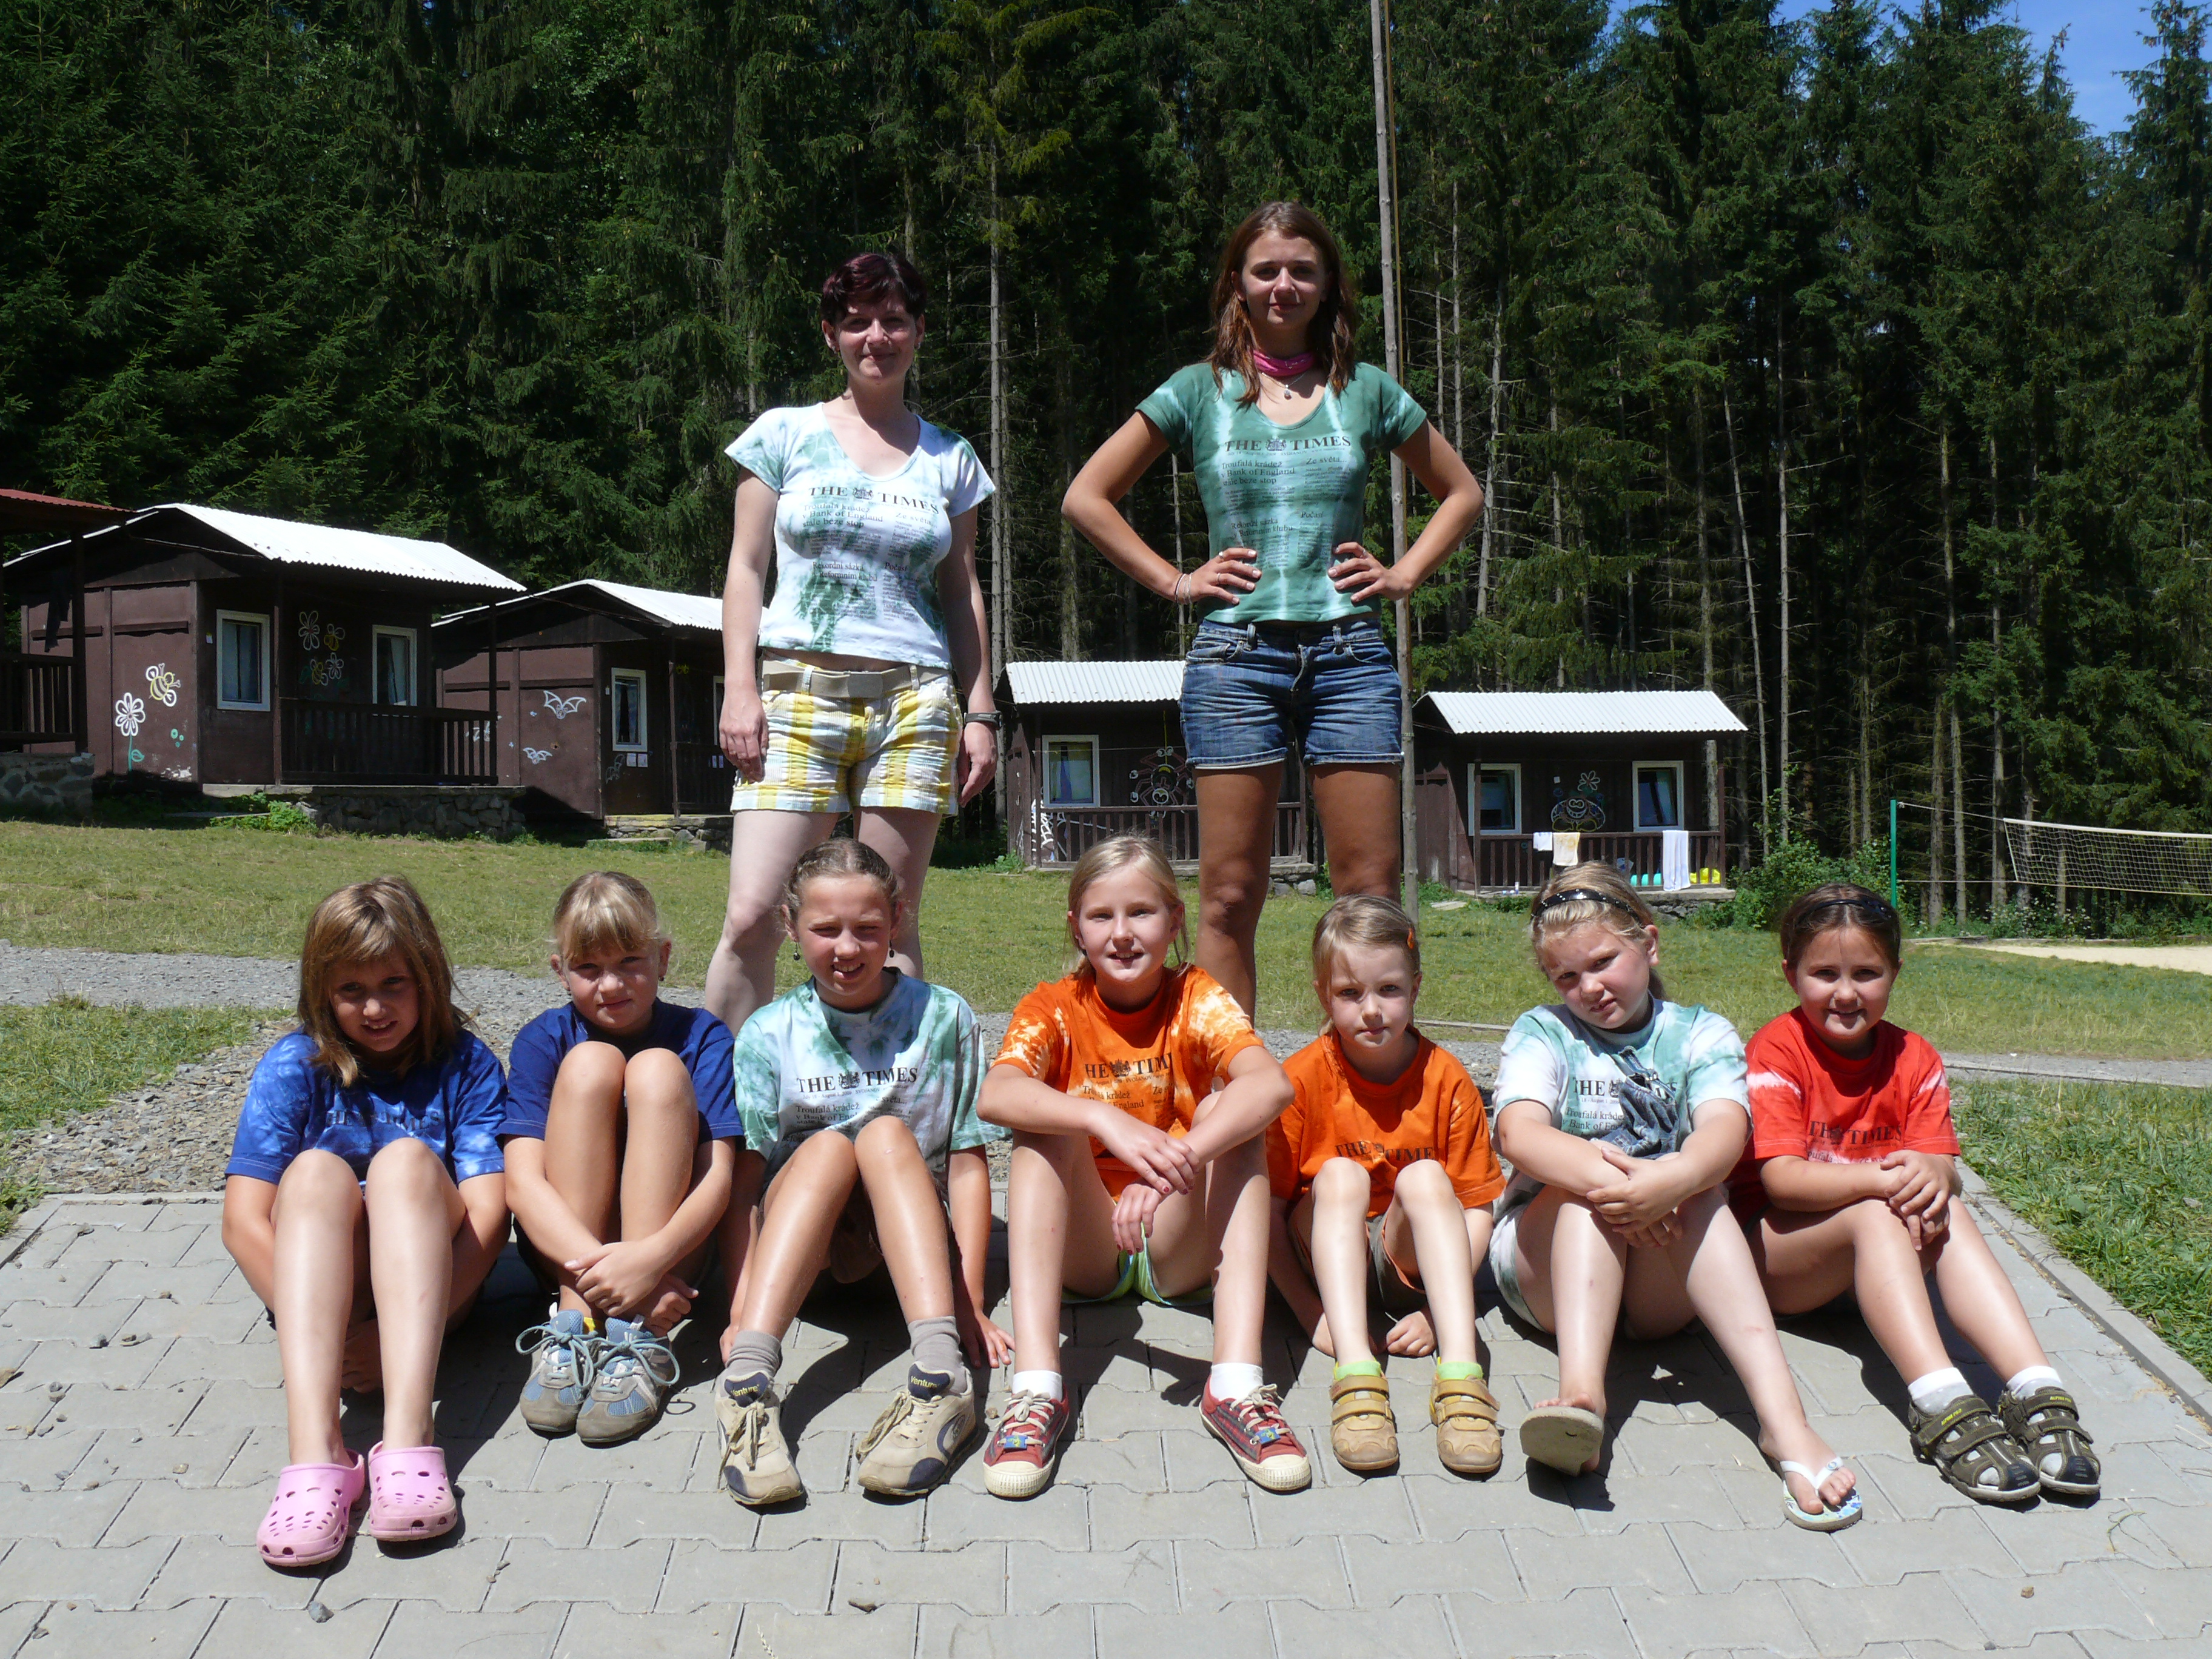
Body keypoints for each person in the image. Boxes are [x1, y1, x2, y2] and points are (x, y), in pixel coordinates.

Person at [1061, 201, 1484, 1015]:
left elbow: (1462, 493)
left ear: (1328, 287)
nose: (1283, 285)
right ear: (1238, 285)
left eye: (1302, 270)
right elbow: (1087, 497)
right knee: (1228, 893)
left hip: (1351, 658)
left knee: (1368, 889)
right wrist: (1176, 581)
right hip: (1234, 660)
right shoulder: (1197, 391)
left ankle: (1367, 1068)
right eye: (1266, 270)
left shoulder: (1366, 390)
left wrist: (1404, 574)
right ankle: (1231, 1076)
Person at [1490, 863, 1863, 1530]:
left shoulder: (1700, 1032)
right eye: (1566, 977)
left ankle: (1784, 1423)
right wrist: (1628, 1189)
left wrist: (1672, 1185)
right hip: (1545, 1270)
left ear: (1650, 944)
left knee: (1703, 1191)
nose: (1588, 987)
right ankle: (1583, 1400)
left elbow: (1725, 1132)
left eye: (1603, 962)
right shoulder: (1543, 1031)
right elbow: (1519, 1133)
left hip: (1658, 1279)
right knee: (1583, 1195)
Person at [706, 249, 998, 1037]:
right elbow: (745, 569)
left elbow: (962, 589)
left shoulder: (952, 458)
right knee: (753, 915)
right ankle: (720, 1100)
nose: (877, 336)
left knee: (889, 925)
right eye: (858, 321)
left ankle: (896, 1100)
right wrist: (740, 688)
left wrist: (979, 712)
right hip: (796, 695)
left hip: (915, 705)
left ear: (919, 332)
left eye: (894, 320)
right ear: (831, 333)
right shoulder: (783, 435)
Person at [1737, 883, 2099, 1502]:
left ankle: (2035, 1387)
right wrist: (1883, 1181)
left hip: (1881, 1270)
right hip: (1781, 1266)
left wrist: (1938, 1175)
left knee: (1944, 1204)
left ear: (1895, 973)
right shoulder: (1778, 1049)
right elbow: (1783, 1182)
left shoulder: (1915, 1056)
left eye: (1866, 973)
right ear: (1791, 973)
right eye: (1825, 974)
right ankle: (1940, 1399)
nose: (1846, 993)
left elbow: (1944, 1167)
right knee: (1878, 1212)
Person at [977, 836, 1309, 1498]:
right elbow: (996, 1094)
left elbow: (1271, 1085)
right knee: (1045, 1124)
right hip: (1086, 1248)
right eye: (1101, 916)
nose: (1122, 934)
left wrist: (1170, 1169)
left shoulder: (1196, 996)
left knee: (1230, 1110)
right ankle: (1037, 1391)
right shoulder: (1054, 1006)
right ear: (1076, 928)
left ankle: (1235, 1386)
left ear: (1175, 920)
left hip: (1177, 1238)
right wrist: (1102, 1119)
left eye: (1142, 913)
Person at [220, 877, 509, 1566]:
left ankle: (408, 1438)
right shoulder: (294, 1064)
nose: (375, 1008)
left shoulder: (466, 1064)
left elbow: (490, 1217)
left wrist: (390, 1340)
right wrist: (340, 1338)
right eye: (352, 991)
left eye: (393, 984)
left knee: (404, 1162)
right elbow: (243, 1221)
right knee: (314, 1172)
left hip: (433, 1294)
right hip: (328, 1303)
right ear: (321, 991)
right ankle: (316, 1453)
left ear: (428, 977)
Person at [715, 839, 1006, 1505]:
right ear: (791, 926)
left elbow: (968, 1161)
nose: (846, 948)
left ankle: (941, 1376)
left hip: (911, 1269)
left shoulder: (945, 1017)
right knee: (826, 1148)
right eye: (826, 929)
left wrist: (969, 1301)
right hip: (804, 1268)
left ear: (896, 921)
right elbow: (747, 1184)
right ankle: (747, 1385)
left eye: (867, 929)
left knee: (883, 1135)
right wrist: (740, 1307)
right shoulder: (769, 1033)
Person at [1265, 895, 1506, 1476]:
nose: (1371, 1011)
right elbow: (1265, 1214)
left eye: (1389, 990)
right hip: (1324, 1257)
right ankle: (1356, 1376)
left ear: (1416, 988)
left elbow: (1478, 1209)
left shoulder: (1447, 1079)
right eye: (1350, 993)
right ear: (1324, 996)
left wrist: (1436, 1314)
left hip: (1408, 1266)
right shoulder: (1300, 1079)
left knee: (1426, 1177)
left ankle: (1461, 1376)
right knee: (1339, 1174)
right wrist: (1309, 1314)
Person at [501, 871, 740, 1446]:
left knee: (658, 1068)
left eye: (630, 962)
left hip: (671, 1252)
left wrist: (650, 1262)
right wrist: (608, 1275)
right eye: (588, 969)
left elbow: (719, 1177)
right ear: (560, 971)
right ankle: (575, 1325)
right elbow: (523, 1183)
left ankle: (637, 1338)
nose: (611, 985)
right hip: (566, 1259)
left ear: (663, 958)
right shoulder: (542, 1039)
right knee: (590, 1064)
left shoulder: (703, 1036)